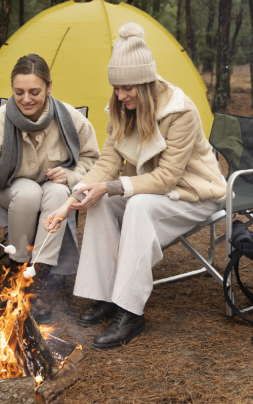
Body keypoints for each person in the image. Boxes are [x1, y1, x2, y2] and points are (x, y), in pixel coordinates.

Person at [45, 22, 226, 350]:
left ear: (146, 82)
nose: (120, 94)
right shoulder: (121, 109)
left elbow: (166, 178)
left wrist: (112, 187)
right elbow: (107, 164)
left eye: (127, 88)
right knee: (99, 202)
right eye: (116, 87)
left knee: (136, 205)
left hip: (194, 194)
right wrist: (71, 200)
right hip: (150, 191)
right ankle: (106, 297)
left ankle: (130, 312)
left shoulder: (180, 111)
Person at [0, 53, 99, 321]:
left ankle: (39, 279)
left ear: (49, 87)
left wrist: (71, 174)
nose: (26, 99)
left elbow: (94, 160)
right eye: (19, 92)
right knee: (27, 191)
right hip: (9, 188)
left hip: (52, 189)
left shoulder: (70, 119)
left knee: (58, 192)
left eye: (35, 91)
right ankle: (18, 269)